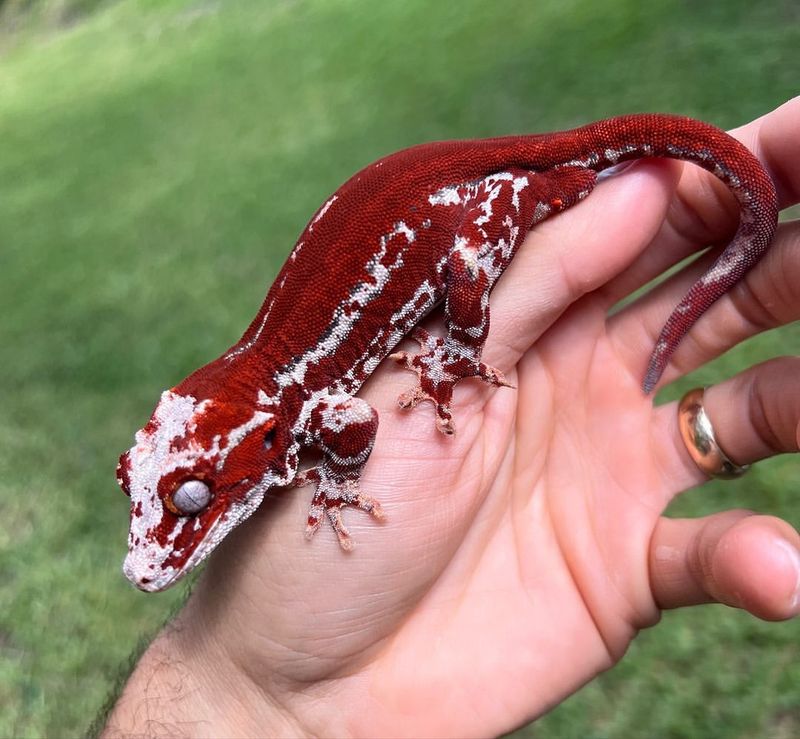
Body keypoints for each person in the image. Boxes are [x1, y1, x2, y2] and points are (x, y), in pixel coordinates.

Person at [101, 98, 799, 738]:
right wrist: (245, 681)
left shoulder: (300, 408)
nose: (149, 552)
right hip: (443, 197)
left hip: (476, 200)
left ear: (262, 438)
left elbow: (357, 429)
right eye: (160, 491)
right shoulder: (272, 400)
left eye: (191, 499)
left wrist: (453, 353)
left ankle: (469, 334)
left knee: (471, 268)